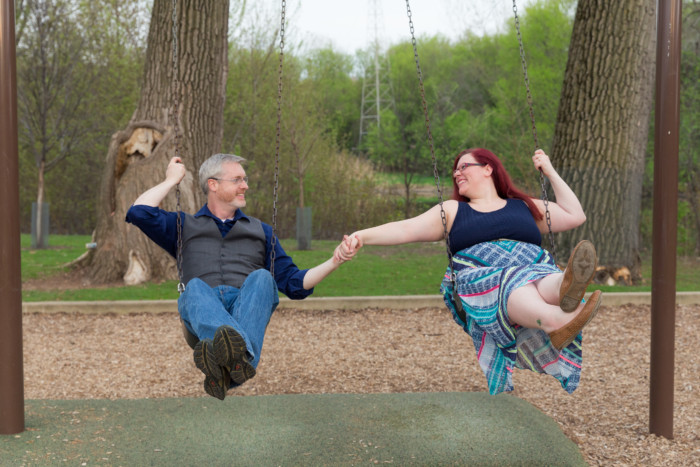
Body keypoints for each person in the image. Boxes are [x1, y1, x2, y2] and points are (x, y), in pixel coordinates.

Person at [338, 148, 601, 395]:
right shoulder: (453, 211)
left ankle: (564, 287)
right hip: (483, 280)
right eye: (454, 171)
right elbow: (406, 228)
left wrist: (550, 171)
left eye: (464, 166)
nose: (456, 173)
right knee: (510, 280)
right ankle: (556, 317)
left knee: (540, 276)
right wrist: (362, 236)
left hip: (531, 269)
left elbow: (574, 215)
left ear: (488, 169)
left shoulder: (523, 206)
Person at [126, 153, 355, 400]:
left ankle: (223, 367)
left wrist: (335, 260)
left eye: (244, 180)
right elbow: (139, 212)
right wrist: (172, 180)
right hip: (202, 307)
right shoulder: (184, 226)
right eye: (237, 180)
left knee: (263, 278)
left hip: (244, 307)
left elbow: (294, 284)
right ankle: (240, 360)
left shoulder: (261, 231)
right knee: (193, 287)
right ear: (213, 184)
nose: (245, 185)